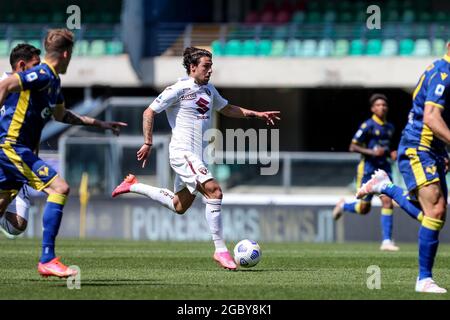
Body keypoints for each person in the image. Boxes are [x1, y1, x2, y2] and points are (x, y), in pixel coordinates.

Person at [112, 47, 280, 270]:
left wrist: (256, 114)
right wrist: (148, 142)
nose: (210, 71)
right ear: (193, 68)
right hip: (183, 153)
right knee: (215, 192)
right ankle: (220, 250)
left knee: (178, 205)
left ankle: (134, 185)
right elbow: (149, 112)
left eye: (211, 66)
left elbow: (227, 108)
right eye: (206, 66)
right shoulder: (178, 88)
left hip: (197, 157)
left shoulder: (210, 90)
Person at [0, 29, 127, 278]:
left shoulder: (54, 82)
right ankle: (47, 258)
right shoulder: (42, 73)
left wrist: (98, 123)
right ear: (67, 53)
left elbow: (61, 115)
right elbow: (6, 84)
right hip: (12, 147)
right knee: (60, 188)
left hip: (17, 150)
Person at [357, 43, 450, 293]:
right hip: (419, 147)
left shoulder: (441, 70)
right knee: (436, 210)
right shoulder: (444, 72)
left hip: (433, 149)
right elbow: (431, 117)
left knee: (432, 214)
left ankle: (384, 185)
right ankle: (424, 280)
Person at [332, 94, 399, 251]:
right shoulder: (368, 126)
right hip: (368, 170)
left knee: (387, 201)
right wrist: (371, 152)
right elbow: (353, 146)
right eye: (378, 105)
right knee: (364, 208)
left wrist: (391, 154)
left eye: (384, 105)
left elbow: (385, 149)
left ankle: (387, 241)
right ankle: (344, 206)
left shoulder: (390, 127)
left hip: (384, 170)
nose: (382, 107)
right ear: (372, 109)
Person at [0, 43, 41, 240]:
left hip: (17, 160)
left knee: (17, 226)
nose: (41, 70)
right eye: (37, 65)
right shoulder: (2, 84)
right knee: (59, 188)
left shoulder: (34, 92)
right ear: (22, 65)